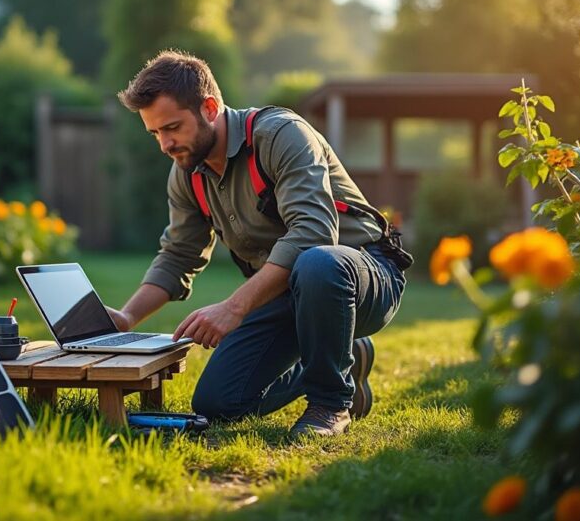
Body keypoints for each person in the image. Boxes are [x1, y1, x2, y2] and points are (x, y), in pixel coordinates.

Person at [106, 50, 411, 437]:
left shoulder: (281, 135)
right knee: (218, 403)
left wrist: (234, 307)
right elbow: (179, 254)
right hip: (285, 293)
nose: (165, 144)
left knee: (318, 263)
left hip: (362, 277)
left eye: (172, 128)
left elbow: (314, 233)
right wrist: (126, 319)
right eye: (155, 134)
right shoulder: (186, 174)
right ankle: (344, 358)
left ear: (210, 108)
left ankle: (330, 404)